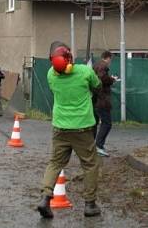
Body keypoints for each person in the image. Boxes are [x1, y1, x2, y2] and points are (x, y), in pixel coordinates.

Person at [37, 41, 102, 219]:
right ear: (69, 58)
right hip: (82, 128)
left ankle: (45, 198)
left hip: (60, 127)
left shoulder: (51, 74)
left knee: (55, 163)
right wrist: (87, 73)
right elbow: (98, 86)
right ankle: (90, 204)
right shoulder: (84, 71)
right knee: (90, 164)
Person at [92, 50, 118, 157]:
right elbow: (102, 78)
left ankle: (92, 146)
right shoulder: (103, 66)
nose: (110, 62)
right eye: (110, 59)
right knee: (107, 123)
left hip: (94, 99)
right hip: (102, 100)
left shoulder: (95, 65)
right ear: (108, 58)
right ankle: (98, 146)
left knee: (94, 123)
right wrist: (112, 79)